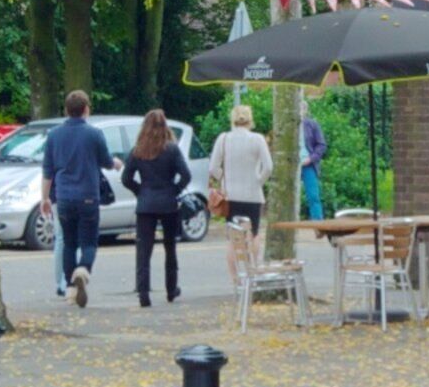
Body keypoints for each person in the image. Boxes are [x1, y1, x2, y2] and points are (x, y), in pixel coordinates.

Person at [42, 89, 113, 309]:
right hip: (88, 197)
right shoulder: (94, 134)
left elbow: (48, 171)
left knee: (69, 243)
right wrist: (116, 163)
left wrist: (44, 197)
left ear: (66, 110)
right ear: (85, 109)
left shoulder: (54, 135)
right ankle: (83, 270)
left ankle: (71, 290)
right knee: (89, 242)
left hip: (63, 197)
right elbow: (106, 161)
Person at [121, 107, 192, 305]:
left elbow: (126, 178)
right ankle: (171, 289)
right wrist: (174, 190)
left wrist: (140, 190)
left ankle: (144, 292)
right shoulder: (171, 148)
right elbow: (186, 175)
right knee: (170, 247)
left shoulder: (138, 150)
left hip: (146, 204)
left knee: (143, 249)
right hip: (168, 203)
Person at [204, 104, 275, 288]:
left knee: (233, 238)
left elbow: (213, 167)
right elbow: (268, 167)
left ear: (233, 119)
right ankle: (253, 270)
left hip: (231, 195)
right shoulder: (258, 139)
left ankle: (236, 279)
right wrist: (258, 180)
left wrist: (225, 178)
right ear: (250, 120)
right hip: (253, 194)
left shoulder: (224, 139)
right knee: (254, 233)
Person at [299, 103, 329, 219]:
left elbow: (321, 145)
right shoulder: (287, 126)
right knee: (287, 196)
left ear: (305, 110)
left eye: (301, 108)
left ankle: (318, 224)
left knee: (313, 196)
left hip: (308, 164)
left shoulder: (312, 124)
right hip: (291, 165)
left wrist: (311, 159)